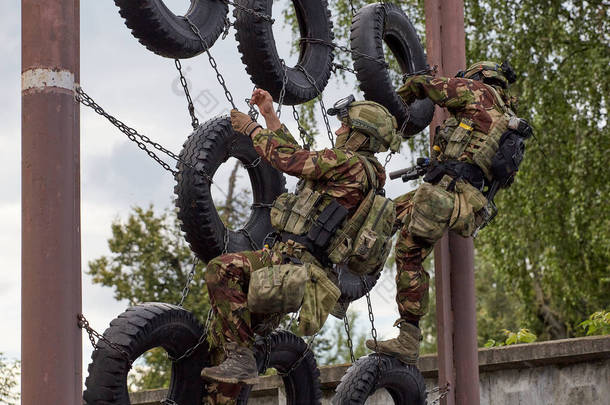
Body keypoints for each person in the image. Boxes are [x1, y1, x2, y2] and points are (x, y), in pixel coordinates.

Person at [200, 88, 401, 404]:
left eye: (345, 126)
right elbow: (296, 155)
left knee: (222, 270)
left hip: (293, 268)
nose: (337, 130)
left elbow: (290, 160)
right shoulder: (357, 171)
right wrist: (268, 114)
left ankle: (238, 361)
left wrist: (252, 129)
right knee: (224, 342)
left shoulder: (350, 164)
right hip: (295, 271)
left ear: (362, 136)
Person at [367, 61, 532, 365]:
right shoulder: (505, 118)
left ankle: (408, 338)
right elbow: (473, 158)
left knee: (408, 250)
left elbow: (424, 85)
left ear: (478, 78)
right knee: (384, 214)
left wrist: (393, 110)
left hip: (446, 193)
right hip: (461, 197)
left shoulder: (477, 92)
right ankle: (356, 274)